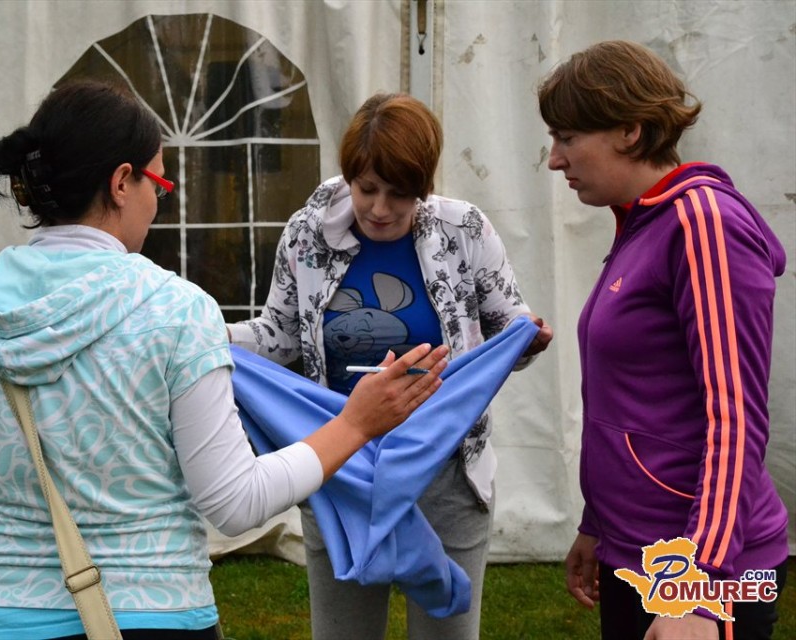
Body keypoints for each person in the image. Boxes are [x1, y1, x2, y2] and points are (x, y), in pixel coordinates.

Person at [0, 79, 450, 640]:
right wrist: (355, 425)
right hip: (157, 612)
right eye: (158, 182)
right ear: (121, 183)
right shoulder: (175, 311)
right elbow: (234, 502)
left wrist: (4, 485)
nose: (158, 202)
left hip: (3, 617)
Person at [227, 92, 553, 640]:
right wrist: (211, 336)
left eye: (399, 194)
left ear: (424, 186)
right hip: (341, 467)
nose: (380, 208)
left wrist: (528, 340)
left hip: (448, 474)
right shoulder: (306, 235)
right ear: (349, 175)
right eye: (367, 189)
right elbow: (278, 337)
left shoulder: (465, 231)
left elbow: (508, 328)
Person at [537, 40, 789, 640]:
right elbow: (635, 400)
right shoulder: (644, 223)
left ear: (630, 130)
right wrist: (599, 524)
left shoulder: (702, 224)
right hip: (638, 554)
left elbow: (736, 416)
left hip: (702, 572)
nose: (554, 159)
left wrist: (698, 588)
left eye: (567, 137)